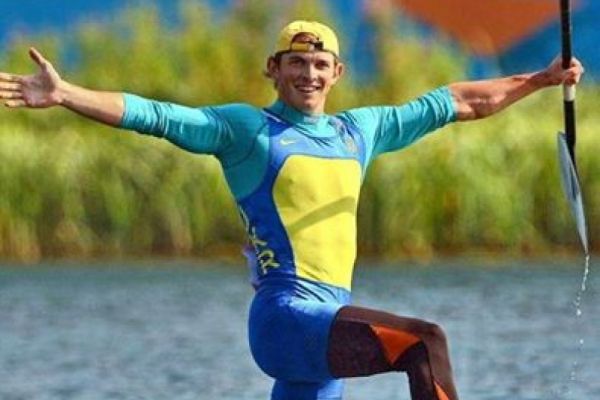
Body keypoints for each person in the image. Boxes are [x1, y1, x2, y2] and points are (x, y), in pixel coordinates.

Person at [0, 20, 583, 400]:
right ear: (273, 69)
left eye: (320, 64)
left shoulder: (359, 132)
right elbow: (157, 115)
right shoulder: (246, 131)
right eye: (296, 64)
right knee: (424, 343)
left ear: (337, 73)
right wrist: (66, 94)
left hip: (325, 330)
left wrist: (540, 78)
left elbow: (459, 101)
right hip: (286, 321)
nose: (309, 74)